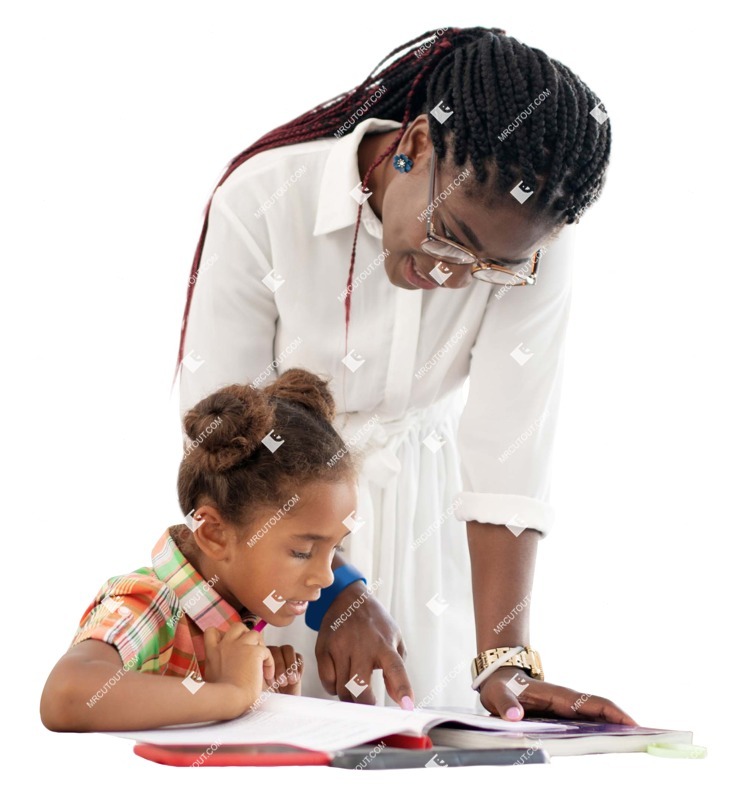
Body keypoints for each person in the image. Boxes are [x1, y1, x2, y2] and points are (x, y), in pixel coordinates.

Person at [174, 26, 638, 724]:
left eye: (490, 266)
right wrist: (337, 594)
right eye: (451, 234)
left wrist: (504, 661)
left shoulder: (533, 250)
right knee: (274, 735)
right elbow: (223, 431)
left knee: (428, 737)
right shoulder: (266, 199)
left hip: (433, 532)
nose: (454, 275)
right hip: (268, 530)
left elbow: (509, 451)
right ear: (415, 145)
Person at [40, 369, 361, 731]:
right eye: (303, 551)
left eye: (336, 549)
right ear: (214, 533)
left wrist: (264, 703)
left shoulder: (239, 611)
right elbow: (65, 695)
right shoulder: (151, 604)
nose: (326, 576)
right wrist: (232, 693)